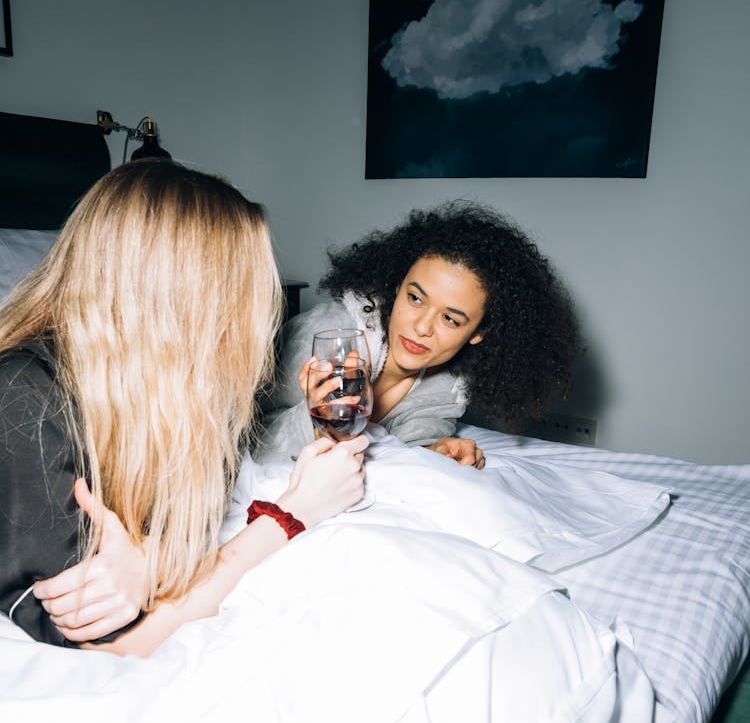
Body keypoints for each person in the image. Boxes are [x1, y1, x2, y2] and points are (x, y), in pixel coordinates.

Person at [0, 159, 366, 654]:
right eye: (239, 288)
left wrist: (151, 563)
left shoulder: (174, 393)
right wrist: (292, 513)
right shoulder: (22, 397)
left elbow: (198, 510)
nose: (256, 313)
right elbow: (108, 651)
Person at [256, 201, 579, 468]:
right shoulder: (329, 334)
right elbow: (245, 442)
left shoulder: (448, 386)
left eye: (450, 319)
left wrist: (438, 451)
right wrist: (317, 413)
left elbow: (410, 444)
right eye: (415, 298)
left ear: (478, 333)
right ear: (397, 287)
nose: (422, 328)